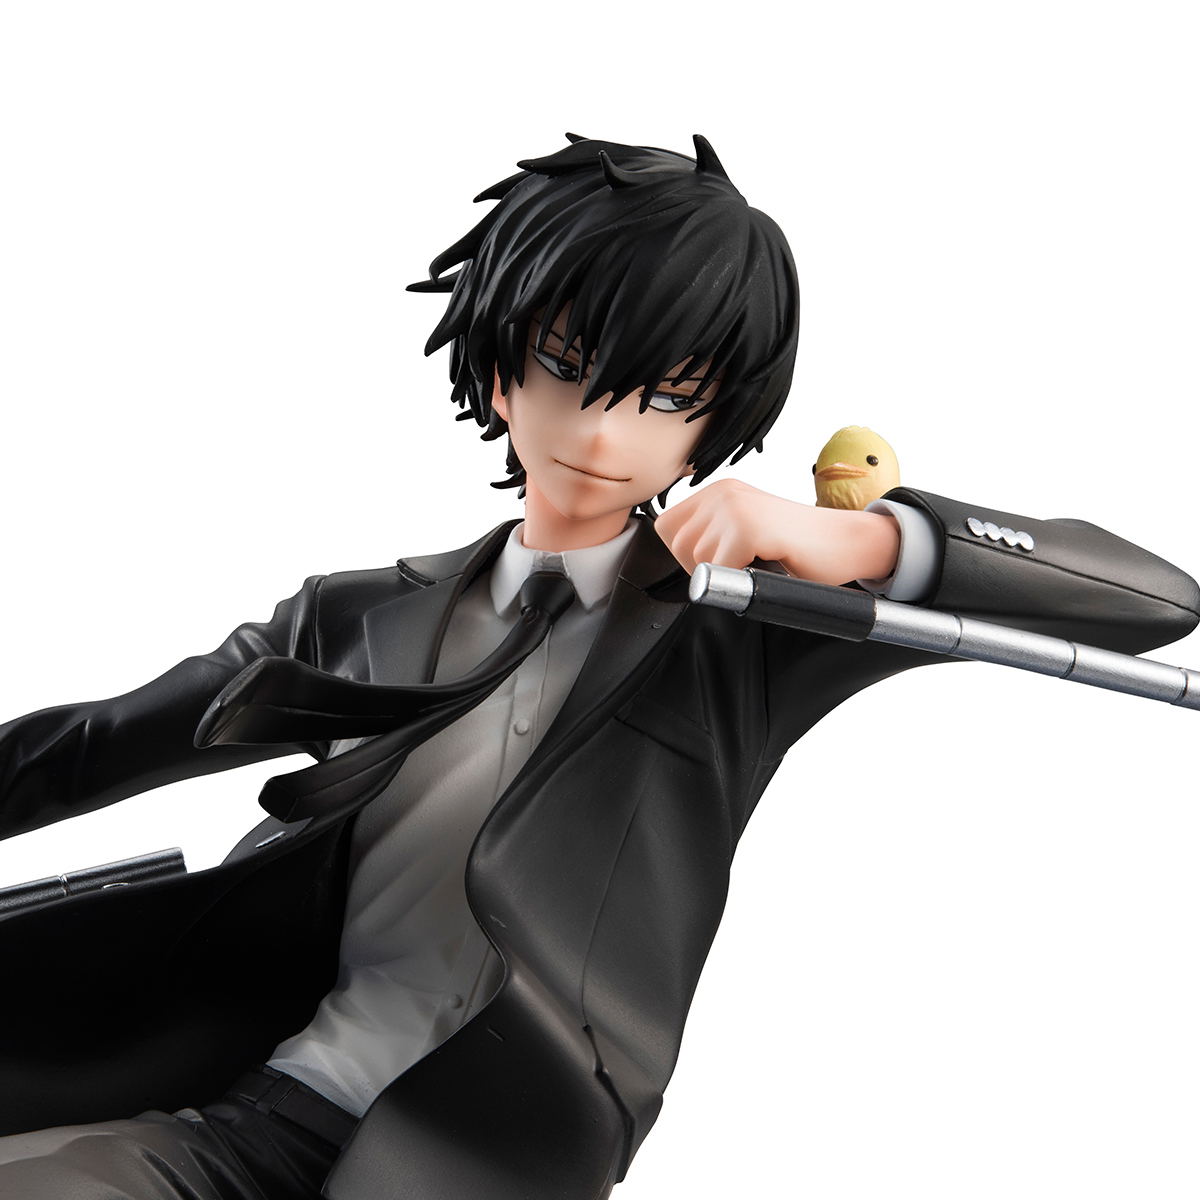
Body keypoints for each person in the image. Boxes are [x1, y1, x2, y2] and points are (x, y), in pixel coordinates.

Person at [0, 134, 1196, 1199]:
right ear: (500, 364)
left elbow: (1151, 602)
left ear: (715, 420)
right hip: (256, 1099)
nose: (602, 431)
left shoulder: (733, 638)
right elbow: (92, 746)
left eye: (666, 397)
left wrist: (861, 542)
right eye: (566, 364)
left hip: (485, 1149)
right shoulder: (355, 617)